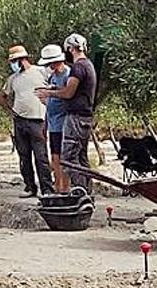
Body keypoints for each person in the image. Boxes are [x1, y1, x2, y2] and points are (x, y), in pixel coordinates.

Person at [36, 34, 97, 192]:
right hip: (83, 117)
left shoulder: (77, 67)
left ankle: (79, 190)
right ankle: (86, 192)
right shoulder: (88, 65)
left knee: (69, 158)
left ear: (70, 49)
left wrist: (50, 94)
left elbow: (68, 92)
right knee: (81, 157)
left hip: (76, 117)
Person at [0, 45, 55, 198]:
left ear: (22, 59)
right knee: (24, 156)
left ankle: (47, 189)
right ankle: (30, 187)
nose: (13, 65)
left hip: (38, 120)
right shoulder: (13, 79)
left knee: (41, 156)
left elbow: (55, 84)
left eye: (14, 61)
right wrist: (11, 111)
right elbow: (3, 96)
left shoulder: (41, 71)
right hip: (20, 121)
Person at [38, 44, 72, 192]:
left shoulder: (68, 75)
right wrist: (45, 125)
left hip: (63, 123)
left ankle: (65, 188)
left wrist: (50, 93)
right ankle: (57, 186)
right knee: (55, 159)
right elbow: (50, 104)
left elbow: (68, 95)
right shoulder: (52, 77)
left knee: (62, 159)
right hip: (53, 124)